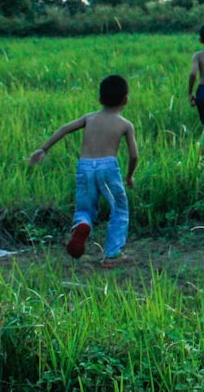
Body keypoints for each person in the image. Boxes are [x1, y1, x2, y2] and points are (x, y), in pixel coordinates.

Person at [29, 74, 139, 266]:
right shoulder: (125, 124)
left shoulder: (90, 118)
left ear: (99, 99)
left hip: (85, 166)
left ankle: (83, 224)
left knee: (85, 208)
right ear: (126, 100)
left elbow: (64, 128)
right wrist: (129, 176)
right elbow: (134, 155)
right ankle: (112, 254)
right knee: (119, 208)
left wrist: (43, 148)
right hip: (108, 168)